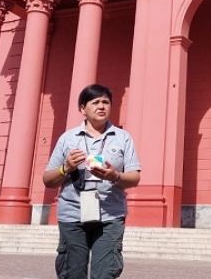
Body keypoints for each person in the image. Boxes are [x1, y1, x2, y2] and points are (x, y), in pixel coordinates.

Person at [43, 84, 141, 279]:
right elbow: (48, 179)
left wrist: (115, 176)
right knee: (72, 273)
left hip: (110, 215)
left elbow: (135, 177)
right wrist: (66, 167)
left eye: (106, 102)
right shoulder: (67, 139)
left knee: (105, 273)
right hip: (72, 215)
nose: (101, 106)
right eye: (95, 102)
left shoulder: (123, 138)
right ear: (82, 109)